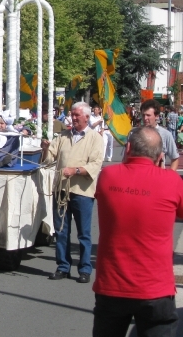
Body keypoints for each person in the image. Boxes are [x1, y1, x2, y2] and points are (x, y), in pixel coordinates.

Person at [93, 126, 183, 336]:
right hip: (155, 288)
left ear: (129, 148)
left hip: (111, 286)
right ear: (161, 156)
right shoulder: (172, 181)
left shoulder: (107, 176)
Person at [41, 102, 104, 283]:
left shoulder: (94, 138)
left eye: (77, 115)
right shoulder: (62, 136)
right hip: (61, 190)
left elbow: (95, 164)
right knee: (61, 231)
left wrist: (75, 170)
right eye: (73, 115)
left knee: (84, 233)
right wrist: (45, 148)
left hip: (82, 192)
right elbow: (49, 158)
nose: (74, 118)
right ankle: (63, 267)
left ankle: (84, 269)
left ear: (86, 117)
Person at [140, 99, 179, 171]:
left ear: (157, 116)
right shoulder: (133, 134)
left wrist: (168, 177)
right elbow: (126, 159)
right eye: (143, 115)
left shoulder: (166, 134)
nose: (145, 118)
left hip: (157, 177)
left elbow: (175, 159)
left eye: (148, 115)